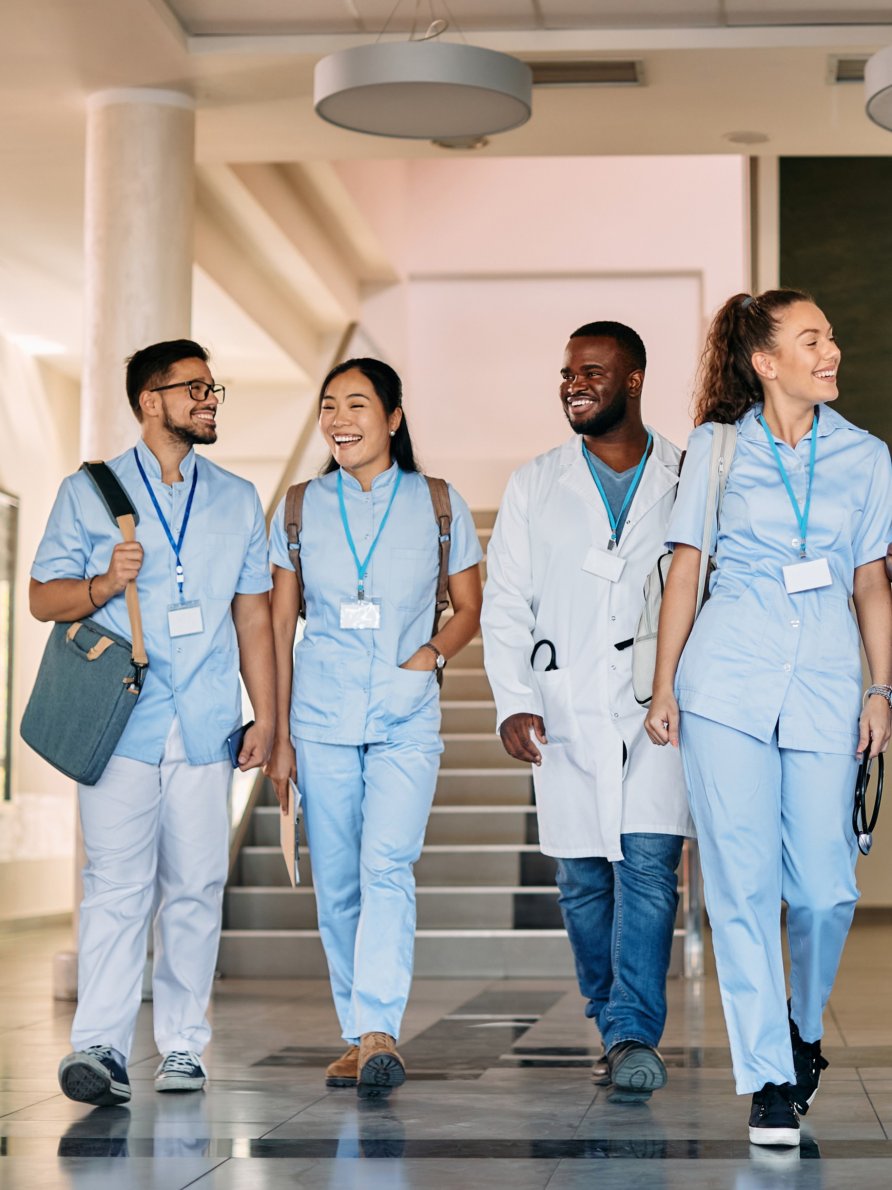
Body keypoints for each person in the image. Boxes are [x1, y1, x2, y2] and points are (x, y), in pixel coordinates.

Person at [645, 289, 892, 1147]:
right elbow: (686, 569)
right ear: (764, 360)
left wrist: (882, 689)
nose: (831, 351)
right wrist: (665, 684)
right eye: (812, 339)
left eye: (830, 336)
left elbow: (871, 580)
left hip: (825, 682)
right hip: (725, 685)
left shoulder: (866, 457)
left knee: (825, 887)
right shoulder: (714, 450)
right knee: (742, 887)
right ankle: (770, 1080)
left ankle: (801, 1024)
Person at [30, 339, 275, 1106]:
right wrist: (106, 582)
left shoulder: (236, 498)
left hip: (205, 724)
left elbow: (254, 618)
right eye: (194, 388)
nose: (209, 400)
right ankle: (98, 1046)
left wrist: (266, 715)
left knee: (197, 884)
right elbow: (43, 598)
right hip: (122, 722)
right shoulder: (88, 491)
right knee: (115, 885)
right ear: (150, 401)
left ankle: (182, 1047)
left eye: (213, 388)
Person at [481, 321, 693, 1100]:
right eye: (568, 371)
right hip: (565, 703)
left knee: (647, 866)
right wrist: (512, 700)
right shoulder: (535, 482)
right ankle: (611, 1013)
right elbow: (505, 601)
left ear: (633, 380)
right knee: (581, 880)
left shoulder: (684, 472)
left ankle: (633, 1030)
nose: (574, 383)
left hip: (654, 704)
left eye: (592, 371)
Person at [266, 357, 483, 1098]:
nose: (340, 420)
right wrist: (279, 733)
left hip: (405, 717)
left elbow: (469, 609)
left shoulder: (437, 501)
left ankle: (380, 1027)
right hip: (320, 719)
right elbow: (277, 622)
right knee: (338, 881)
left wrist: (427, 657)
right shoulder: (298, 506)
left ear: (393, 418)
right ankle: (356, 1034)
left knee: (387, 865)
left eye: (356, 405)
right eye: (329, 406)